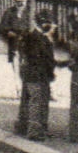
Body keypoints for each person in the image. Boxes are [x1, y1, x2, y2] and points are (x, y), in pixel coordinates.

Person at [15, 11, 56, 140]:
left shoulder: (37, 36)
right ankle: (34, 132)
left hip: (38, 75)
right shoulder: (36, 38)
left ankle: (41, 129)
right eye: (49, 23)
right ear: (43, 23)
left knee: (41, 102)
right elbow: (40, 57)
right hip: (36, 75)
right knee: (36, 102)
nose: (51, 26)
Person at [1, 0, 29, 64]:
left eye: (22, 1)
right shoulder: (9, 12)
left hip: (26, 43)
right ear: (15, 1)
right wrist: (9, 32)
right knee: (15, 64)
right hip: (14, 43)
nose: (20, 3)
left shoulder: (28, 13)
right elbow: (3, 27)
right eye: (18, 1)